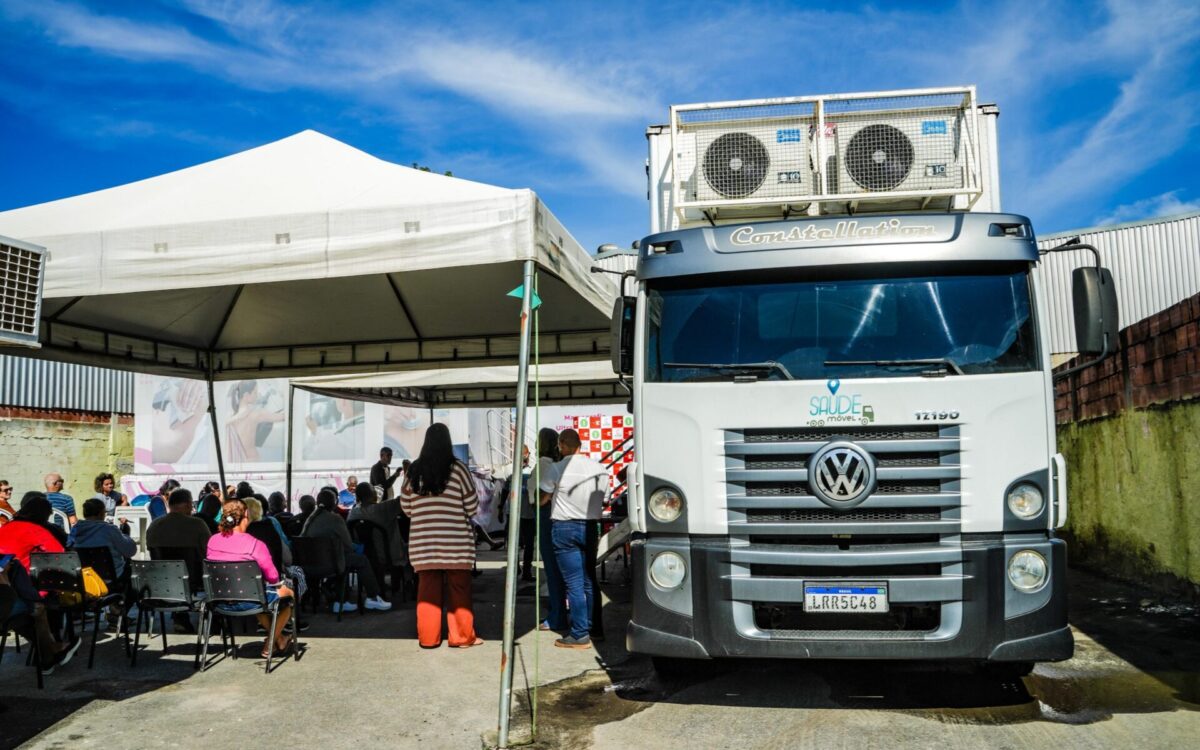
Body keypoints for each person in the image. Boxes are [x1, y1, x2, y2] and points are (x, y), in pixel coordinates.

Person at [400, 423, 482, 649]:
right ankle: (462, 637)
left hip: (423, 543)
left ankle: (428, 639)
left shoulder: (413, 471)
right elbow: (472, 506)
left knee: (427, 594)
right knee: (459, 591)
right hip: (456, 542)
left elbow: (406, 508)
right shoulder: (459, 469)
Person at [541, 428, 609, 650]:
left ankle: (579, 634)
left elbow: (543, 495)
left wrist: (545, 499)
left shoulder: (556, 467)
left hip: (564, 528)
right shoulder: (599, 468)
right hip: (590, 527)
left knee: (574, 583)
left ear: (561, 445)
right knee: (590, 579)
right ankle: (594, 628)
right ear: (580, 444)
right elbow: (606, 499)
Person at [0, 497, 81, 673]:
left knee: (30, 613)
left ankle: (50, 652)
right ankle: (52, 650)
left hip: (7, 589)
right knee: (44, 604)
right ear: (44, 514)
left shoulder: (5, 528)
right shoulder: (35, 530)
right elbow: (60, 556)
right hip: (27, 590)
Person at [205, 499, 295, 659]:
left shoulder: (212, 540)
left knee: (257, 596)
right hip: (250, 599)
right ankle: (273, 641)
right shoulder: (255, 544)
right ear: (246, 514)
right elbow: (273, 577)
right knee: (288, 596)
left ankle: (278, 639)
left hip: (220, 599)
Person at [301, 489, 391, 613]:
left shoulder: (309, 520)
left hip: (310, 566)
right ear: (334, 503)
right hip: (332, 565)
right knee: (361, 560)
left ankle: (340, 601)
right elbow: (348, 544)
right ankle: (373, 597)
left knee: (342, 558)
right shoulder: (335, 519)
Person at [145, 488, 210, 634]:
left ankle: (180, 616)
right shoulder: (197, 524)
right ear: (188, 504)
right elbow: (209, 552)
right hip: (193, 579)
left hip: (161, 580)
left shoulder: (154, 526)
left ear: (169, 504)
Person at [530, 429, 567, 632]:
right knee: (556, 570)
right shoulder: (552, 464)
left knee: (552, 570)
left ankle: (557, 616)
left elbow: (541, 495)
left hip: (544, 515)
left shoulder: (544, 464)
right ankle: (558, 612)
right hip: (548, 515)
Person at [347, 482, 406, 586]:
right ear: (373, 495)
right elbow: (404, 499)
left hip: (364, 555)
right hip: (388, 556)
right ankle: (403, 585)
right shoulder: (384, 508)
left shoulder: (353, 513)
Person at [68, 498, 137, 581]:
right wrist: (126, 535)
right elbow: (130, 551)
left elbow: (69, 550)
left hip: (86, 580)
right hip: (112, 579)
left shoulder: (75, 530)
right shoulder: (109, 530)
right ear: (101, 513)